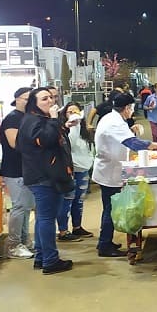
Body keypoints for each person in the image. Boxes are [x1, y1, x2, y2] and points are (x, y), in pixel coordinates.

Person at [93, 94, 157, 257]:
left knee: (109, 209)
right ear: (127, 108)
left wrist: (131, 130)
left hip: (111, 168)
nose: (132, 111)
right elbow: (134, 144)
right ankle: (104, 246)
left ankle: (105, 242)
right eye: (131, 108)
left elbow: (120, 138)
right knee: (111, 210)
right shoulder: (114, 122)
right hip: (109, 171)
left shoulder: (111, 118)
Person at [17, 87, 77, 275]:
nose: (50, 101)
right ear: (34, 103)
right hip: (44, 177)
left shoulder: (38, 120)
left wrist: (63, 125)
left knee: (44, 218)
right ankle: (50, 260)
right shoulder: (32, 121)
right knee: (46, 219)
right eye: (44, 99)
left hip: (47, 175)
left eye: (51, 97)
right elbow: (45, 140)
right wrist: (54, 120)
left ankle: (42, 257)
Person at [0, 87, 35, 259]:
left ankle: (25, 240)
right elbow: (14, 143)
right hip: (14, 170)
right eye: (26, 98)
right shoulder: (12, 119)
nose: (29, 101)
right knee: (19, 206)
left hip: (27, 169)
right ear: (17, 99)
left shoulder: (27, 117)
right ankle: (13, 245)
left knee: (26, 207)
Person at [58, 102, 94, 240]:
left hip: (83, 169)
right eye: (69, 112)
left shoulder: (84, 130)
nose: (73, 114)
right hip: (70, 170)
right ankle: (63, 231)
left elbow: (88, 148)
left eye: (76, 111)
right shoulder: (65, 130)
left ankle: (77, 227)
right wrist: (72, 126)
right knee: (67, 200)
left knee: (79, 200)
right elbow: (70, 144)